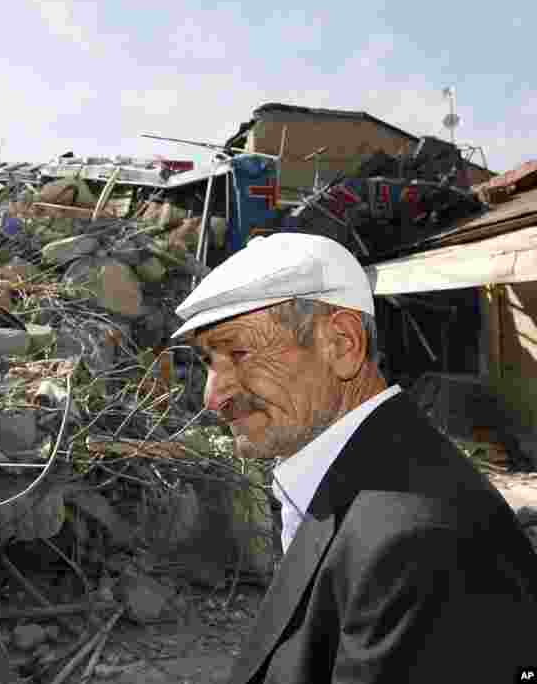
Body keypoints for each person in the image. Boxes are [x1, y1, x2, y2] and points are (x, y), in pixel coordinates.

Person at [171, 232, 537, 684]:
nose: (212, 398)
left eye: (240, 353)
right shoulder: (359, 484)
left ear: (341, 344)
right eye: (210, 362)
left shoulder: (415, 544)